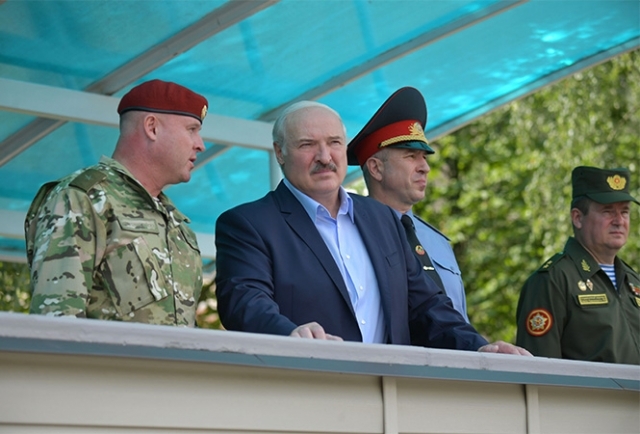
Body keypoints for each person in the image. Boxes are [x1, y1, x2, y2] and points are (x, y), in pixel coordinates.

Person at [215, 99, 530, 355]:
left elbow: (425, 304)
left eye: (334, 143)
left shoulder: (381, 218)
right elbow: (245, 304)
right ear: (280, 152)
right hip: (306, 390)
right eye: (308, 145)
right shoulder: (248, 224)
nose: (324, 157)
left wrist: (480, 347)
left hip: (390, 397)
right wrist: (289, 336)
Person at [25, 79, 207, 326]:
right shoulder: (83, 198)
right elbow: (56, 322)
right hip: (103, 365)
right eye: (191, 129)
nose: (201, 144)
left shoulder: (177, 223)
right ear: (152, 127)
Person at [347, 87, 469, 321]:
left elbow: (459, 319)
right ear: (376, 168)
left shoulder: (438, 242)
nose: (425, 167)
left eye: (424, 157)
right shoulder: (350, 235)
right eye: (410, 156)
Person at [516, 166, 640, 364]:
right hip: (587, 396)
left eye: (624, 212)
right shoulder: (553, 280)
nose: (619, 221)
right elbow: (540, 373)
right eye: (608, 212)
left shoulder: (634, 282)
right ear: (578, 218)